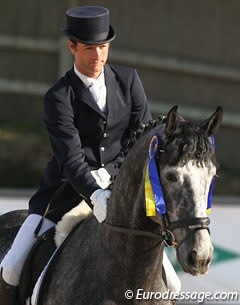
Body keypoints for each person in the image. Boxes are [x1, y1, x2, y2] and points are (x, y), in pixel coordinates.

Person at [0, 6, 180, 305]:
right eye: (89, 49)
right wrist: (94, 193)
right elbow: (69, 157)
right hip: (64, 195)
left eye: (102, 47)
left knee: (171, 287)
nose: (97, 56)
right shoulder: (59, 97)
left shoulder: (129, 81)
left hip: (123, 193)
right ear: (72, 47)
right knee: (11, 269)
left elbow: (142, 142)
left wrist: (114, 177)